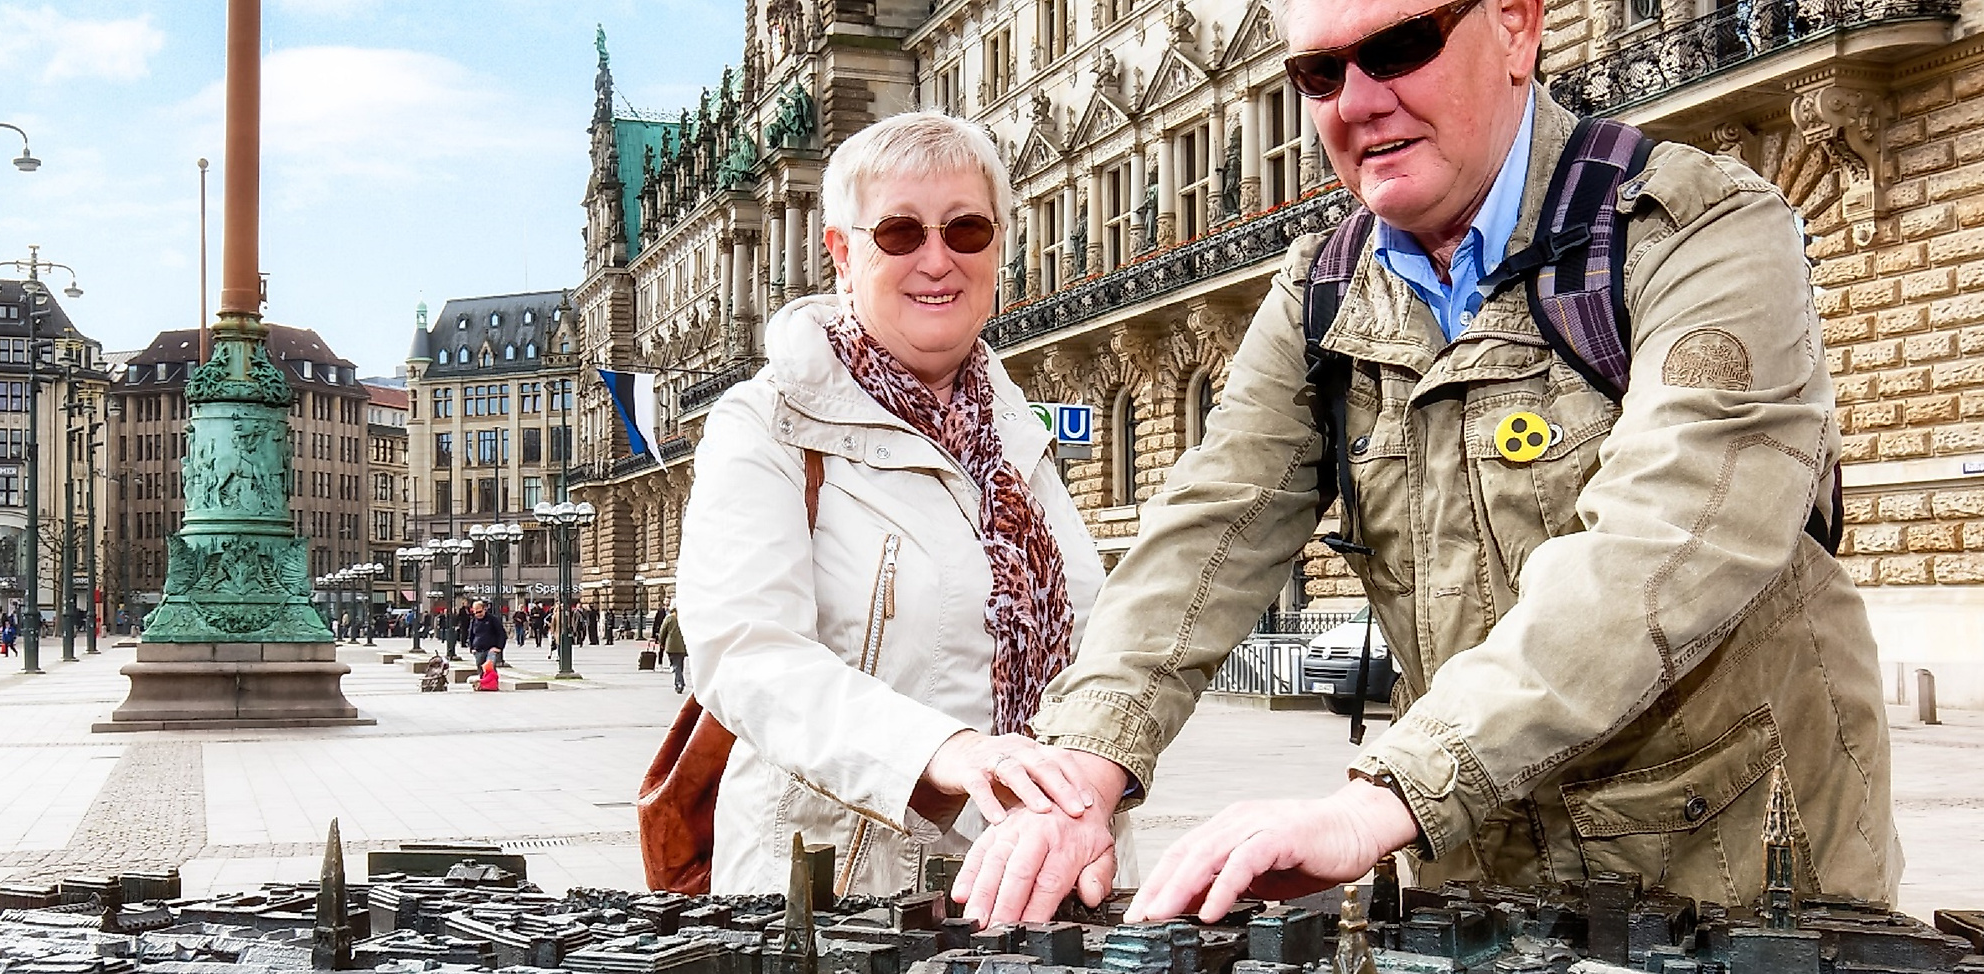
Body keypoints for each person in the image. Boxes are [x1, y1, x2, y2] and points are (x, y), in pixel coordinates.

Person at [952, 0, 1900, 926]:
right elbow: (1210, 527)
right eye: (1319, 73)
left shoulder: (1697, 226)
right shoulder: (1322, 289)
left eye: (1401, 47)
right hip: (1477, 885)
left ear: (1518, 27)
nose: (1358, 101)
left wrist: (1383, 797)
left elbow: (1669, 541)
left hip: (1735, 886)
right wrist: (1081, 762)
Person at [677, 110, 1114, 898]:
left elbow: (1090, 657)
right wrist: (944, 752)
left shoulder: (1018, 437)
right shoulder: (766, 423)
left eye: (966, 230)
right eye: (900, 233)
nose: (937, 260)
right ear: (842, 252)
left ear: (997, 246)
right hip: (836, 900)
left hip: (1035, 888)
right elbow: (745, 653)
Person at [466, 600, 506, 669]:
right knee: (480, 669)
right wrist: (471, 648)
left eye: (480, 612)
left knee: (489, 668)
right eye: (476, 613)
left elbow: (501, 633)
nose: (478, 614)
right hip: (478, 650)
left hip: (490, 649)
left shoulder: (492, 619)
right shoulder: (473, 621)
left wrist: (499, 647)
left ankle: (492, 679)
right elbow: (471, 635)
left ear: (484, 609)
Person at [657, 606, 687, 694]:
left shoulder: (669, 618)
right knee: (680, 664)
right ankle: (679, 681)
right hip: (683, 645)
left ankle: (679, 683)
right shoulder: (684, 618)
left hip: (672, 646)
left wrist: (661, 642)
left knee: (676, 665)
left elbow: (662, 631)